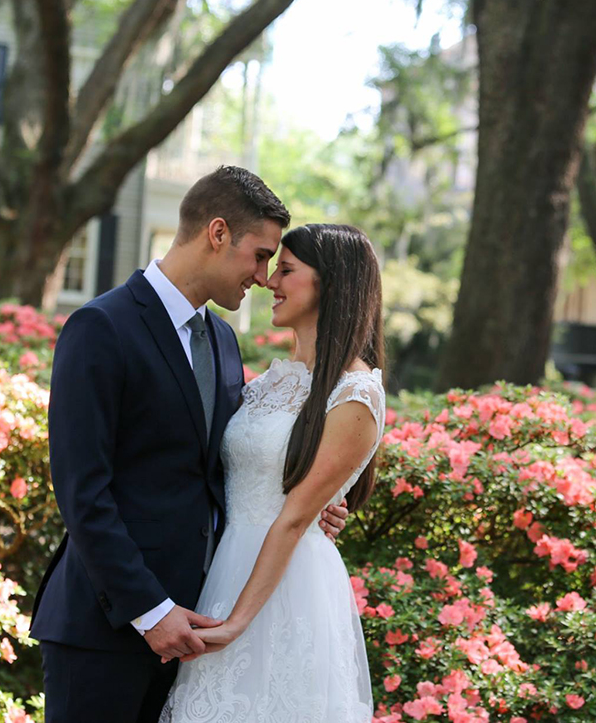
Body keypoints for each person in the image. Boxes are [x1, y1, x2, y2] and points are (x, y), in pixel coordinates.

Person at [30, 167, 352, 723]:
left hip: (198, 634)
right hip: (106, 629)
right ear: (218, 233)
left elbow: (224, 465)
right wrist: (150, 612)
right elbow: (83, 491)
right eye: (259, 255)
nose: (263, 275)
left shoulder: (223, 341)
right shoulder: (100, 327)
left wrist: (303, 501)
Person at [159, 223, 385, 723]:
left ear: (333, 284)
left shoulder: (356, 393)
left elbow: (293, 518)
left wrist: (237, 623)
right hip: (223, 573)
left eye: (286, 269)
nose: (269, 281)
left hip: (288, 591)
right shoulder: (270, 379)